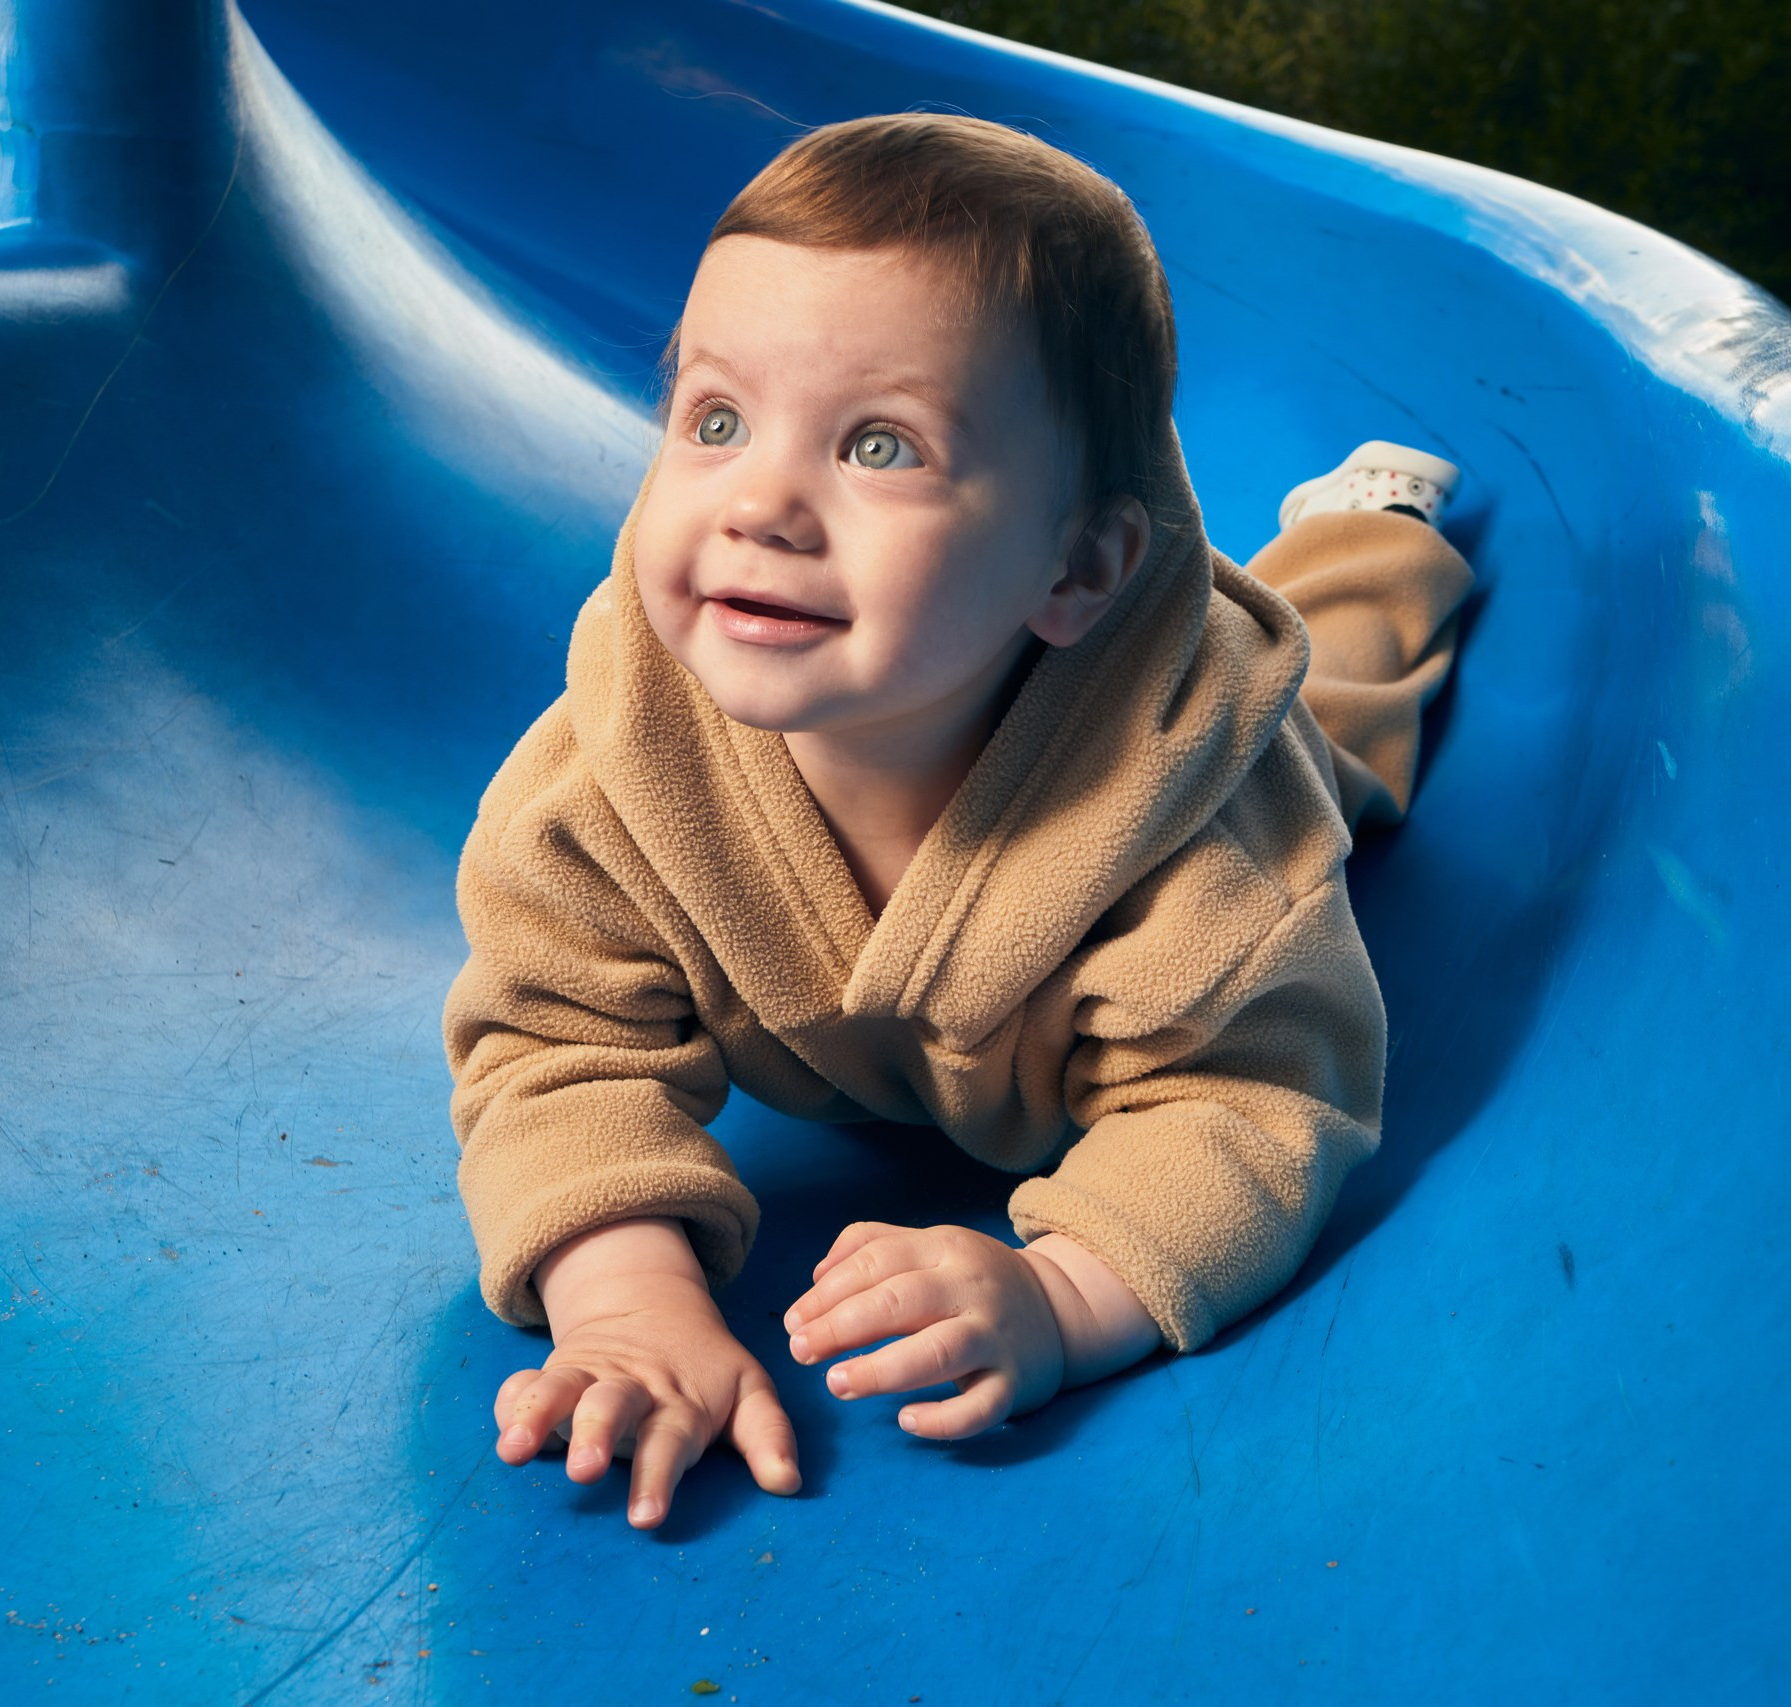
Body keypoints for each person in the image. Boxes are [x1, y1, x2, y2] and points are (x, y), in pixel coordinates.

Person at [441, 113, 1472, 1529]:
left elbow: (1253, 1101)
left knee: (1340, 720)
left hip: (1207, 721)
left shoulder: (1197, 817)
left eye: (880, 446)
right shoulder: (607, 779)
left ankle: (1371, 532)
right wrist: (624, 1302)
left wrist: (1060, 1295)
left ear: (1079, 564)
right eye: (717, 420)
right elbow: (556, 1045)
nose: (761, 506)